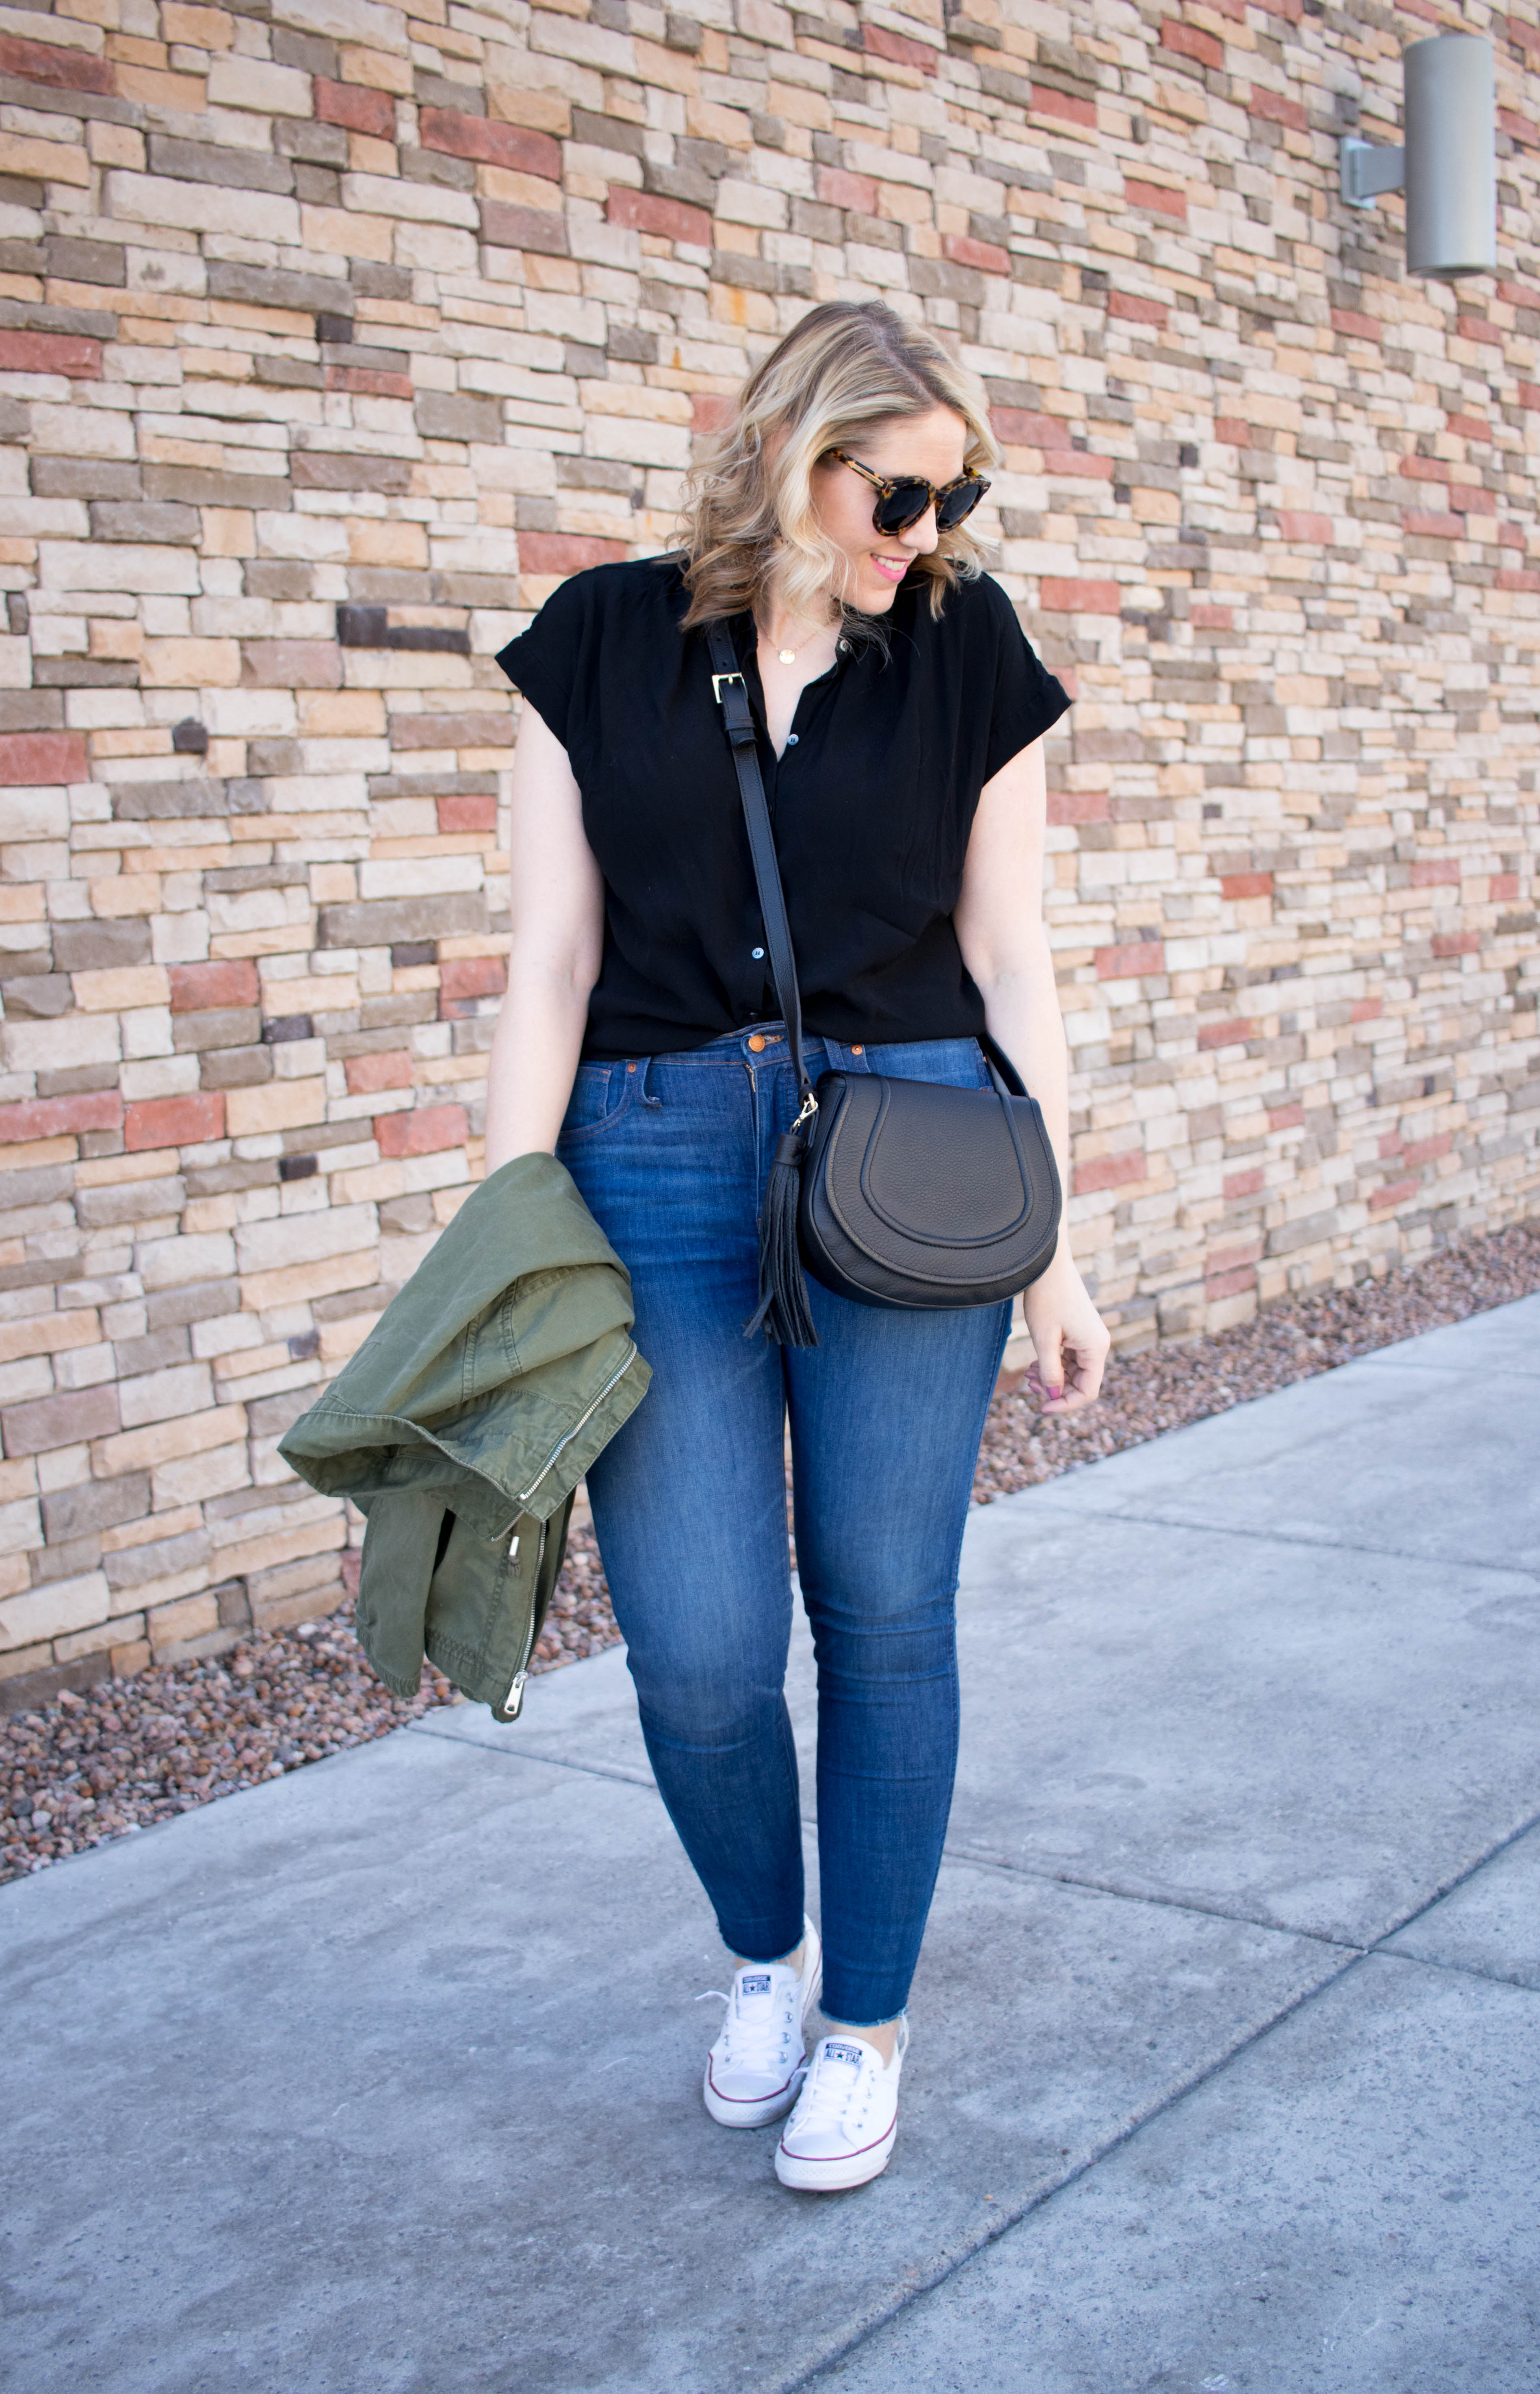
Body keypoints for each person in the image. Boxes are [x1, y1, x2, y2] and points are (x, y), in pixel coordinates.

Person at [490, 299, 1109, 2193]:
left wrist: (1056, 1236)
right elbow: (550, 964)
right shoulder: (598, 641)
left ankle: (867, 2020)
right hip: (655, 1158)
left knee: (885, 1609)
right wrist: (504, 1247)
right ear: (792, 452)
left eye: (957, 494)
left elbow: (1011, 957)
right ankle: (766, 1959)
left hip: (911, 1160)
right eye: (898, 488)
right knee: (694, 1646)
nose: (926, 530)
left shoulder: (967, 651)